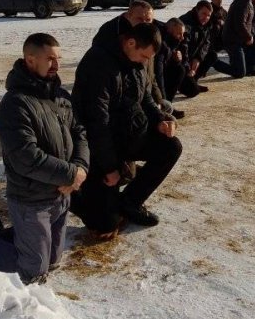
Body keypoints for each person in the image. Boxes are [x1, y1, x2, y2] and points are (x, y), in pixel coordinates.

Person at [0, 33, 89, 285]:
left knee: (52, 261)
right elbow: (25, 157)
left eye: (58, 58)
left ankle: (20, 238)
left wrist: (81, 167)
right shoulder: (15, 105)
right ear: (30, 60)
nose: (57, 65)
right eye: (50, 59)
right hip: (31, 199)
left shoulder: (60, 96)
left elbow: (79, 132)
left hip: (62, 193)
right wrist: (70, 174)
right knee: (33, 273)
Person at [72, 22, 182, 234]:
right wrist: (110, 167)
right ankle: (71, 194)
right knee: (105, 225)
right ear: (131, 43)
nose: (146, 62)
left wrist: (160, 119)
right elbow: (97, 122)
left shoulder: (136, 60)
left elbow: (145, 97)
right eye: (144, 56)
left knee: (171, 146)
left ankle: (130, 201)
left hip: (128, 134)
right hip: (99, 146)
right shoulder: (99, 64)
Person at [92, 0, 182, 118]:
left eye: (148, 20)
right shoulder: (112, 34)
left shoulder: (149, 34)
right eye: (140, 19)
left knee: (167, 108)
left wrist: (158, 99)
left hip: (144, 93)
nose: (144, 23)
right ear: (128, 16)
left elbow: (151, 73)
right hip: (121, 100)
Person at [179, 0, 214, 90]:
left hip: (193, 56)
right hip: (181, 59)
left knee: (212, 55)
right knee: (193, 92)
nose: (206, 17)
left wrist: (198, 58)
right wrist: (188, 66)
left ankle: (193, 80)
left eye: (208, 15)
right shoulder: (186, 22)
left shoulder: (207, 24)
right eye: (203, 13)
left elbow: (206, 43)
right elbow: (183, 46)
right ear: (197, 10)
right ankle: (183, 81)